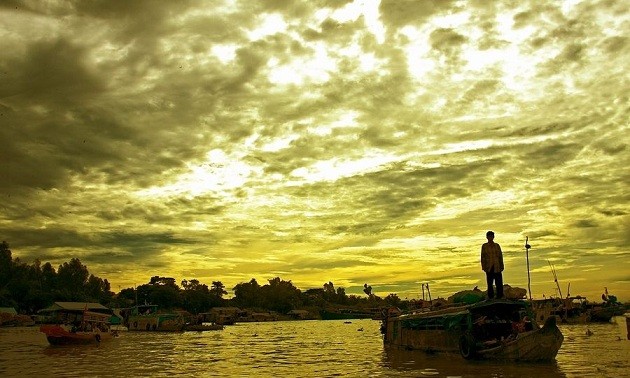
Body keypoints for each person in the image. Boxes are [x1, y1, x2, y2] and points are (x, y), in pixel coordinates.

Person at [480, 230, 504, 299]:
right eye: (489, 236)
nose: (490, 238)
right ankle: (491, 297)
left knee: (499, 282)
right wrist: (483, 267)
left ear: (493, 237)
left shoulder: (497, 246)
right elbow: (483, 257)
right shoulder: (484, 246)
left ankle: (500, 296)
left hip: (497, 266)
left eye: (492, 236)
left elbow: (500, 256)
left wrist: (502, 266)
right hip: (489, 267)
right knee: (490, 283)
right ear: (487, 237)